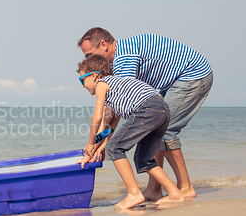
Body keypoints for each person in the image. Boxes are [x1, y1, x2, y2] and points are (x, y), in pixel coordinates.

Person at [78, 27, 213, 200]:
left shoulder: (124, 58)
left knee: (166, 132)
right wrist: (101, 142)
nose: (89, 60)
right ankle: (154, 189)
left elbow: (111, 112)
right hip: (171, 84)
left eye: (89, 55)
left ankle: (185, 188)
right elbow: (120, 107)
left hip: (192, 75)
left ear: (103, 45)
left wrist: (97, 144)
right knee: (154, 131)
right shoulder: (117, 60)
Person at [76, 55, 185, 209]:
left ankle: (134, 193)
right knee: (144, 159)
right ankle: (175, 194)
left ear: (93, 75)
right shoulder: (117, 90)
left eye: (82, 80)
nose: (83, 86)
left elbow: (97, 117)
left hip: (147, 108)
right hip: (162, 109)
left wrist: (88, 144)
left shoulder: (101, 83)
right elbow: (108, 129)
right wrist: (95, 147)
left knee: (114, 149)